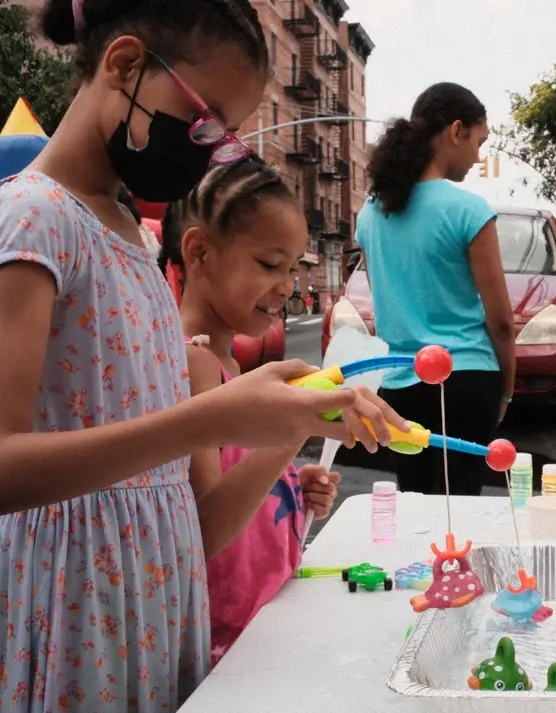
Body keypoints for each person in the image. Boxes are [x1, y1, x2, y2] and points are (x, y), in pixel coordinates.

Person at [0, 0, 404, 710]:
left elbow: (196, 520)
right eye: (206, 121)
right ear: (123, 65)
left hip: (152, 613)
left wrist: (286, 421)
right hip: (74, 610)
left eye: (228, 137)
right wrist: (208, 419)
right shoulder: (34, 216)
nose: (209, 149)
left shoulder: (128, 236)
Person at [159, 158, 341, 666]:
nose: (286, 286)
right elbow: (206, 531)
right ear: (199, 253)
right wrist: (294, 429)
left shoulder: (229, 362)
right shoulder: (191, 361)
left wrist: (289, 487)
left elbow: (237, 474)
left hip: (261, 620)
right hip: (225, 642)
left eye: (293, 268)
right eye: (269, 264)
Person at [356, 82, 515, 497]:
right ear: (456, 131)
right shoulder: (468, 209)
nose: (479, 158)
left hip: (402, 385)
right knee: (459, 508)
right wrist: (507, 391)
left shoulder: (371, 214)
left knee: (415, 511)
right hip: (466, 380)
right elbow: (500, 321)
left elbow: (383, 303)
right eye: (478, 143)